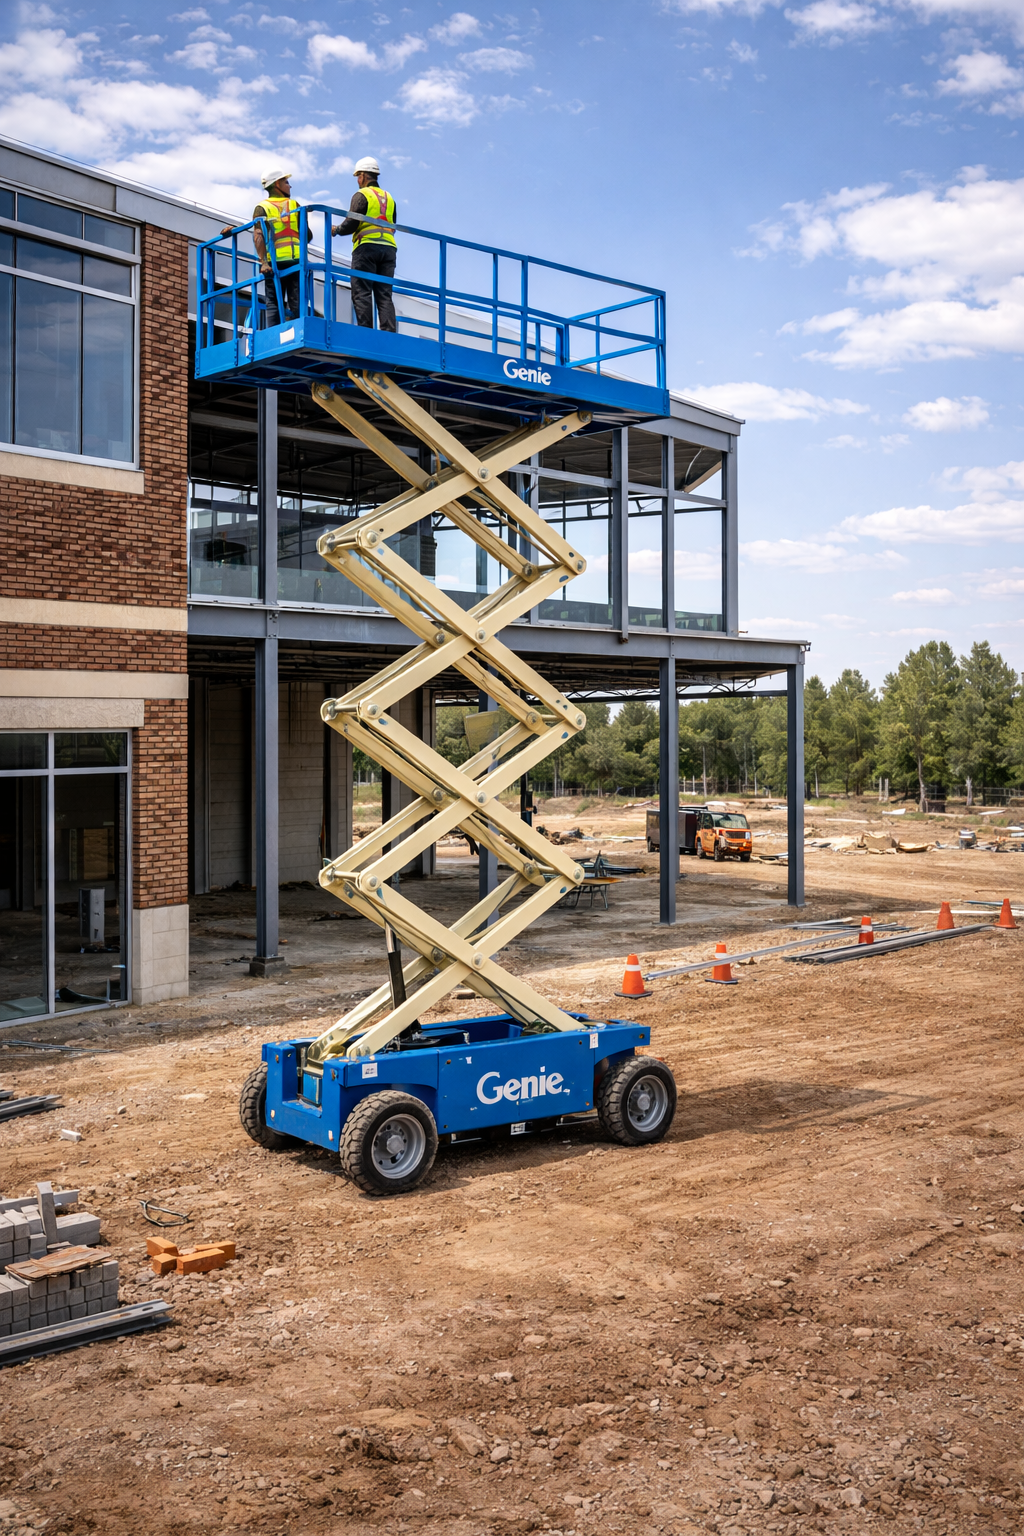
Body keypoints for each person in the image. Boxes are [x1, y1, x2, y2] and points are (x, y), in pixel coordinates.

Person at [222, 169, 310, 328]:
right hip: (296, 261)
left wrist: (263, 262)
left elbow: (258, 235)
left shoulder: (261, 208)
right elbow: (307, 235)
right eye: (286, 182)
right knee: (297, 300)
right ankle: (299, 330)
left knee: (274, 301)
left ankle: (274, 335)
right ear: (277, 184)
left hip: (274, 263)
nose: (290, 186)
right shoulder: (295, 206)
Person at [332, 157, 397, 332]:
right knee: (384, 294)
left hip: (366, 247)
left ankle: (365, 332)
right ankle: (389, 333)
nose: (357, 181)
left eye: (357, 177)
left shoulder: (361, 195)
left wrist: (337, 230)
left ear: (362, 176)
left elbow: (352, 223)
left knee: (362, 291)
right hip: (389, 249)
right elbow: (393, 224)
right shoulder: (389, 198)